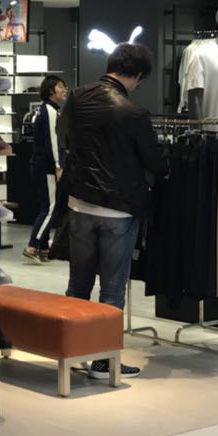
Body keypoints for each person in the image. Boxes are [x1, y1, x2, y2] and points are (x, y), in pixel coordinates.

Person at [57, 43, 167, 379]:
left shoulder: (77, 97)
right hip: (119, 209)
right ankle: (104, 361)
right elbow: (156, 162)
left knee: (78, 285)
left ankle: (72, 351)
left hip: (79, 203)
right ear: (137, 75)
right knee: (112, 289)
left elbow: (65, 138)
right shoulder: (133, 113)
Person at [22, 75, 66, 262]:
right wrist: (58, 165)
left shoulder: (47, 110)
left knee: (47, 206)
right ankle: (33, 246)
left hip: (41, 165)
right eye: (61, 87)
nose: (64, 90)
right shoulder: (49, 111)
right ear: (50, 91)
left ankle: (43, 248)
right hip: (46, 166)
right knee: (50, 208)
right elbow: (53, 141)